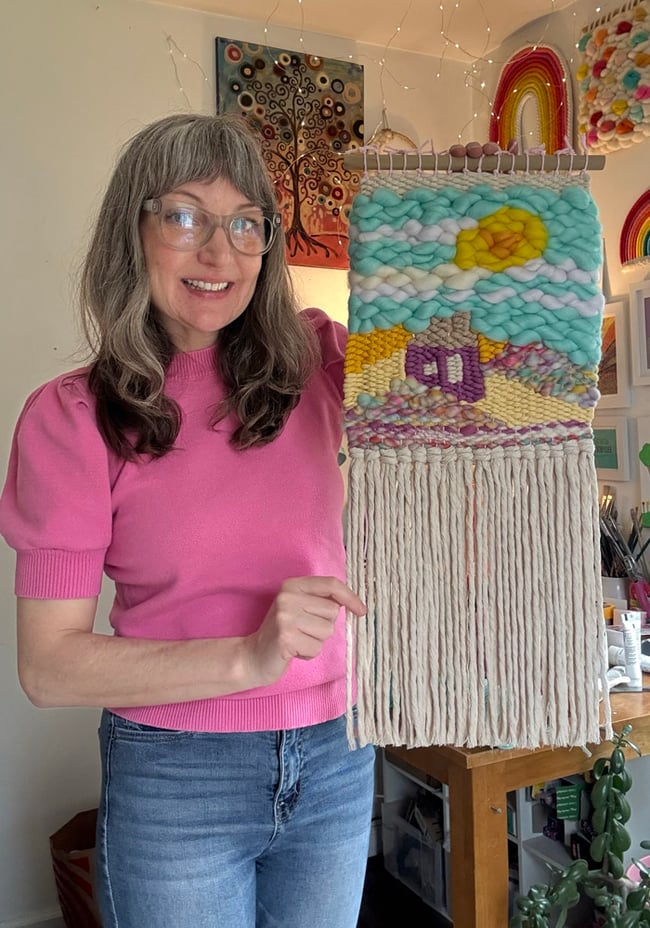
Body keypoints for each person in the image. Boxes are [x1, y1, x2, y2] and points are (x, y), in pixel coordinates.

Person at [0, 112, 375, 928]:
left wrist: (481, 208)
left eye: (247, 223)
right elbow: (50, 667)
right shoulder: (70, 419)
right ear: (130, 230)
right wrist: (248, 657)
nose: (220, 251)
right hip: (176, 779)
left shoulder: (321, 360)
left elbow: (471, 380)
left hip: (338, 754)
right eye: (184, 216)